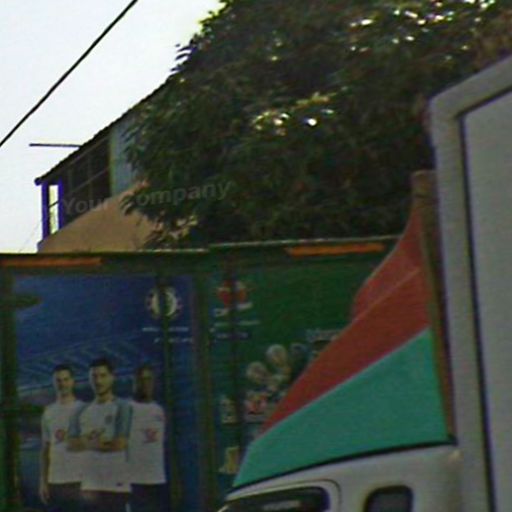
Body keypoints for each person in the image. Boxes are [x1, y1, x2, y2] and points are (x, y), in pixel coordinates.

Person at [68, 358, 132, 512]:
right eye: (94, 376)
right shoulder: (80, 411)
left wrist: (86, 442)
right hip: (89, 487)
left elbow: (119, 444)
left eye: (103, 376)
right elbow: (71, 444)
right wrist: (102, 442)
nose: (98, 381)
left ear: (112, 377)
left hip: (116, 486)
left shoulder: (122, 407)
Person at [39, 364, 84, 512]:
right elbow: (45, 450)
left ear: (72, 381)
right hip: (55, 482)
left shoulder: (84, 409)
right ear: (53, 383)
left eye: (66, 379)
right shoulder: (48, 412)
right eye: (58, 380)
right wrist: (43, 482)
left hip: (79, 482)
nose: (62, 384)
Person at [128, 365, 167, 512]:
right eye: (141, 380)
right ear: (134, 383)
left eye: (148, 379)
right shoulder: (126, 409)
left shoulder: (159, 410)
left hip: (157, 479)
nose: (145, 384)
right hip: (134, 481)